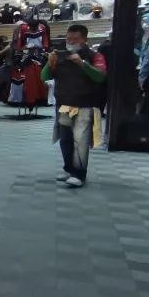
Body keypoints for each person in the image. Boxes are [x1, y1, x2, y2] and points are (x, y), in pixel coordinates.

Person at [42, 24, 106, 188]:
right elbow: (44, 76)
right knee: (65, 140)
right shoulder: (59, 56)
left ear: (84, 39)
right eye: (68, 39)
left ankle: (79, 174)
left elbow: (100, 77)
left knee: (81, 141)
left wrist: (82, 63)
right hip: (63, 104)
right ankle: (69, 169)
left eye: (75, 39)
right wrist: (50, 63)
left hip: (85, 105)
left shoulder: (95, 55)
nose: (70, 42)